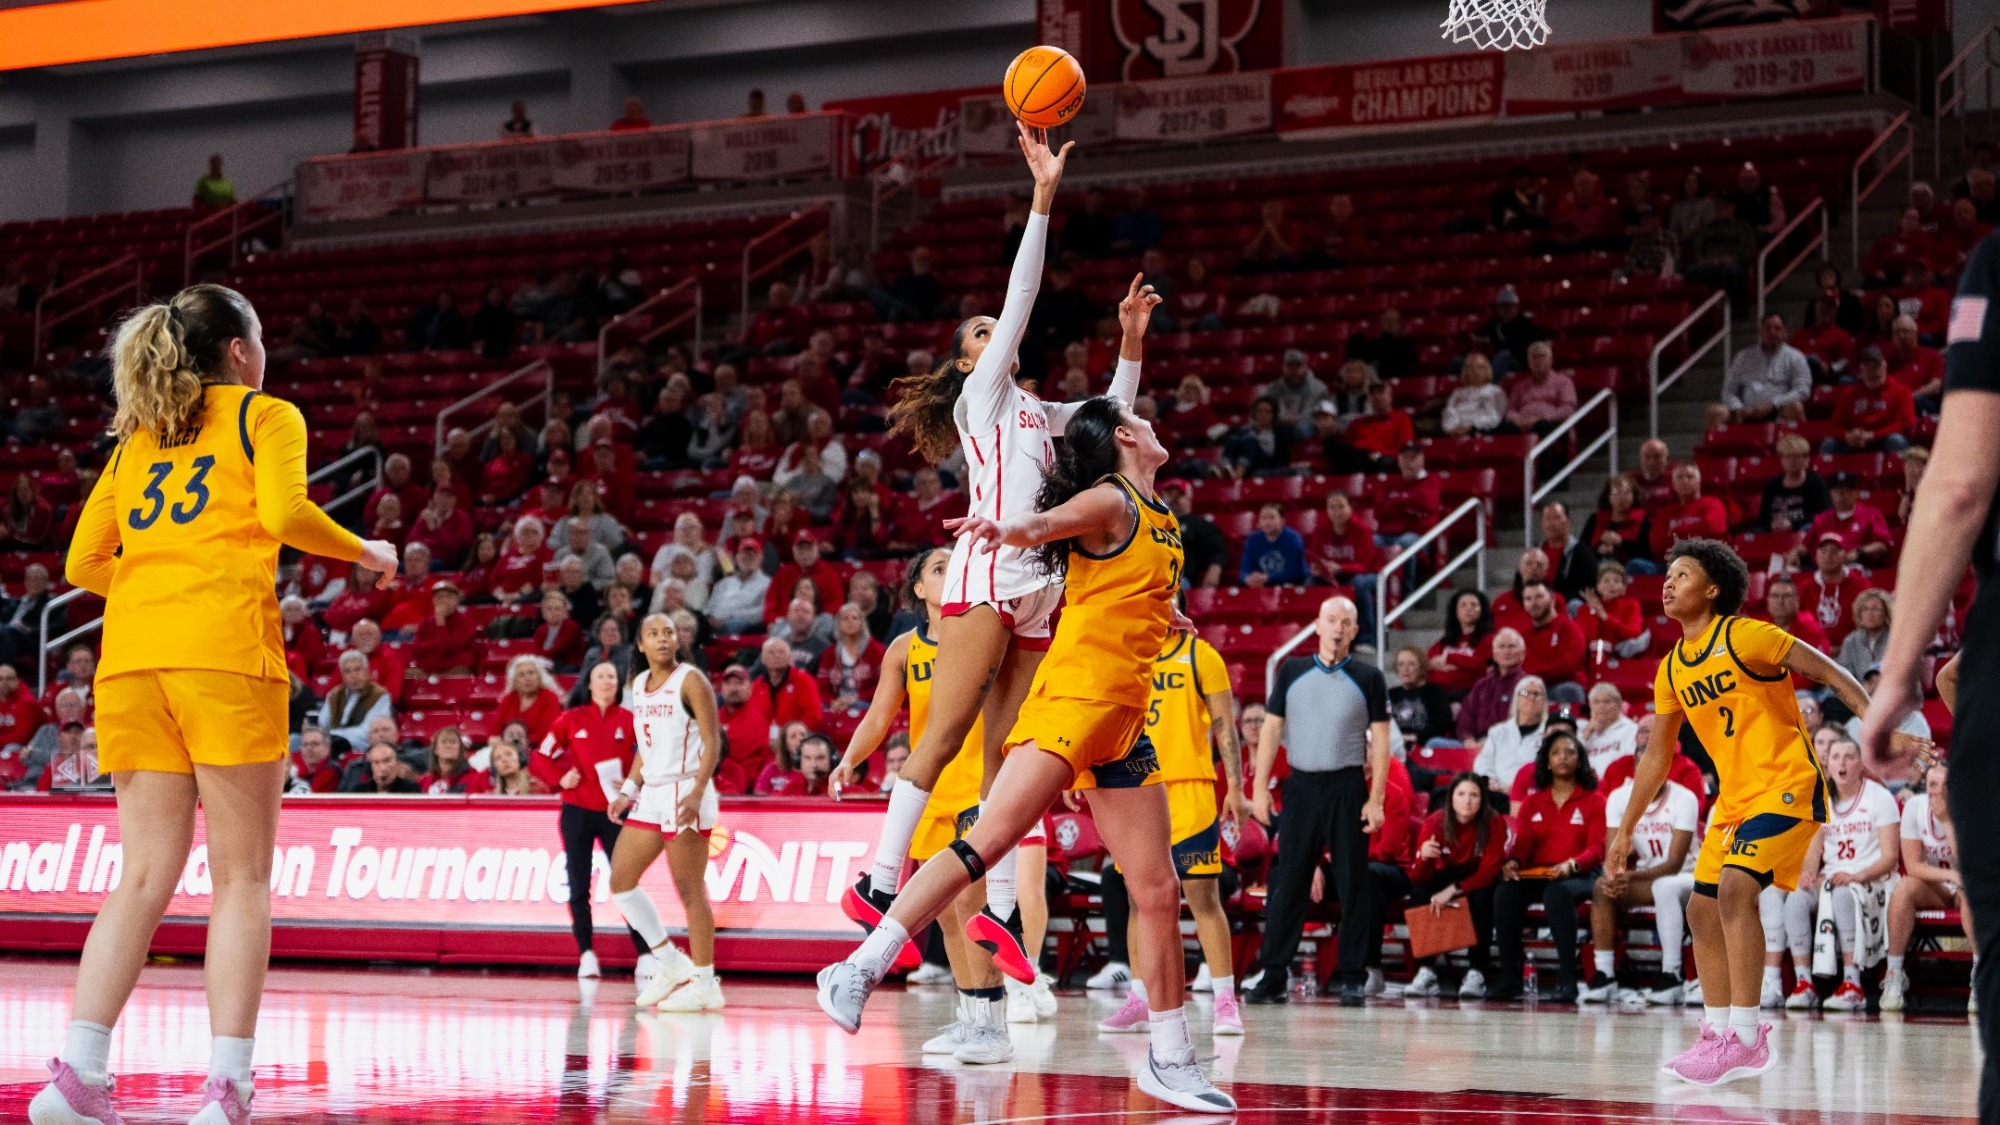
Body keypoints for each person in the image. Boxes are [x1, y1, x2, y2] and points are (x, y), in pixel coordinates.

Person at [29, 284, 397, 1125]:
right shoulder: (265, 415)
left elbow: (86, 558)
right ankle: (225, 1091)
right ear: (239, 350)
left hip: (129, 662)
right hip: (224, 653)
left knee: (142, 877)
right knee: (242, 877)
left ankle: (77, 1077)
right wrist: (366, 548)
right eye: (260, 335)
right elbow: (285, 512)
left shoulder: (140, 436)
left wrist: (161, 584)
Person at [816, 391, 1235, 1114]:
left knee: (1158, 891)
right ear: (1126, 438)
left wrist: (1164, 611)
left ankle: (1170, 1057)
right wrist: (1004, 527)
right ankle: (859, 965)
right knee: (984, 843)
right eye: (1140, 419)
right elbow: (1045, 523)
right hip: (1069, 708)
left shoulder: (1162, 519)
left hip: (1123, 722)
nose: (1153, 422)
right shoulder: (1110, 499)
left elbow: (1113, 584)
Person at [843, 126, 1145, 996]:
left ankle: (1000, 913)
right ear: (969, 359)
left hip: (1037, 587)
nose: (998, 332)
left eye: (994, 330)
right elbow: (1022, 291)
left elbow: (1113, 418)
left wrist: (1129, 339)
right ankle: (878, 874)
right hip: (981, 570)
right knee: (940, 737)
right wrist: (1043, 195)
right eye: (981, 331)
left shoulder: (1037, 409)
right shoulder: (982, 395)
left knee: (1008, 757)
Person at [1611, 538, 1920, 1089]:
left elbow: (1831, 674)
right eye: (1667, 574)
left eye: (1681, 574)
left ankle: (1749, 1039)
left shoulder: (1749, 635)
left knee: (1735, 891)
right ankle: (1716, 1031)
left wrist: (1881, 726)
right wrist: (1626, 827)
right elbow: (1658, 755)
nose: (1667, 582)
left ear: (1711, 589)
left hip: (1788, 786)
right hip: (1734, 801)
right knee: (1701, 914)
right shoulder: (1669, 669)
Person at [827, 548, 1023, 1063]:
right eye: (939, 568)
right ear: (917, 589)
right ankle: (972, 1014)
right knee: (942, 913)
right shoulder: (903, 649)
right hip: (930, 791)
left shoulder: (985, 631)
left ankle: (995, 1026)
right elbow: (878, 716)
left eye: (956, 564)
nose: (950, 571)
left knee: (969, 906)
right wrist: (850, 758)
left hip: (980, 785)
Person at [1097, 629, 1247, 1036]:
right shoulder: (1128, 653)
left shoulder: (1203, 656)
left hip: (1190, 789)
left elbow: (1224, 726)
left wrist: (1235, 786)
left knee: (1203, 897)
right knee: (1138, 900)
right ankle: (1140, 999)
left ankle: (1225, 1002)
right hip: (1139, 787)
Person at [1246, 597, 1391, 1008]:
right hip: (1301, 786)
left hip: (1347, 786)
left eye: (1346, 621)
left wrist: (1375, 799)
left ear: (1355, 630)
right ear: (1317, 624)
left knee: (1353, 883)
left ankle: (1352, 976)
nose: (1338, 627)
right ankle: (1273, 973)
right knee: (1288, 881)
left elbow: (1380, 743)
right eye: (1331, 620)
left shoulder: (1370, 677)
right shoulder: (1290, 671)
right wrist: (1258, 789)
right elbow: (1271, 733)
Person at [610, 615, 727, 1013]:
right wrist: (628, 789)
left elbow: (713, 742)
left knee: (690, 889)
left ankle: (705, 981)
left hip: (686, 788)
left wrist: (697, 792)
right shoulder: (638, 686)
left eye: (669, 632)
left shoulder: (691, 680)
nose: (663, 639)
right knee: (621, 881)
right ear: (640, 645)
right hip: (654, 792)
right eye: (653, 633)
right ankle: (669, 961)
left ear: (678, 640)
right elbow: (647, 744)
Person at [530, 659, 655, 980]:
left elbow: (651, 758)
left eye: (612, 676)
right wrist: (560, 779)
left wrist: (632, 781)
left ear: (618, 684)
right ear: (589, 683)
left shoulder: (629, 720)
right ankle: (586, 953)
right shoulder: (570, 719)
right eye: (601, 676)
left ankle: (645, 954)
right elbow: (540, 756)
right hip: (577, 811)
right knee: (578, 883)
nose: (606, 682)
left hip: (615, 811)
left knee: (626, 883)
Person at [1778, 737, 1901, 1012]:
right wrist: (1808, 874)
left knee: (1844, 895)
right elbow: (1814, 848)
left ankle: (1852, 983)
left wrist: (1857, 875)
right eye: (1835, 757)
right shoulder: (1822, 798)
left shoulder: (1879, 797)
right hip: (1833, 879)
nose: (1842, 763)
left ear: (1861, 763)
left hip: (1873, 879)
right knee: (1796, 897)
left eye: (1849, 756)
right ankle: (1804, 983)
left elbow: (1891, 858)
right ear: (1827, 764)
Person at [1489, 731, 1604, 1002]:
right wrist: (1514, 862)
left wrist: (1572, 865)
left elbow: (1598, 848)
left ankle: (1567, 978)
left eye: (1570, 752)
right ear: (1547, 762)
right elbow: (1523, 845)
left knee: (1557, 892)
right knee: (1506, 891)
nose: (1563, 757)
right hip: (1540, 872)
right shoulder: (1532, 803)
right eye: (1556, 752)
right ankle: (1508, 976)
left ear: (1580, 760)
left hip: (1581, 873)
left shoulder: (1594, 800)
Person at [1582, 770, 1698, 1002]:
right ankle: (1604, 975)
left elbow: (1674, 865)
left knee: (1665, 886)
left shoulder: (1684, 798)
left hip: (1689, 876)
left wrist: (1632, 877)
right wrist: (1613, 878)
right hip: (1647, 878)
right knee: (1602, 889)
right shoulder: (1619, 798)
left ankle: (1671, 974)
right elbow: (1612, 857)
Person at [1403, 772, 1508, 999]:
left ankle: (1476, 972)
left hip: (1479, 879)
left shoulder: (1494, 822)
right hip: (1448, 875)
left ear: (1483, 799)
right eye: (1461, 794)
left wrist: (1453, 891)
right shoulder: (1435, 821)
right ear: (1451, 797)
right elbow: (1418, 878)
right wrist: (1425, 859)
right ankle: (1426, 970)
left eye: (1474, 795)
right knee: (1421, 893)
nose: (1467, 801)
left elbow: (1488, 873)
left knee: (1482, 895)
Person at [1882, 759, 1972, 1012]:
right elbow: (1913, 866)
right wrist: (1952, 878)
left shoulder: (1972, 805)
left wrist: (1947, 820)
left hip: (1969, 885)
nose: (1938, 791)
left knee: (1970, 894)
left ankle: (1979, 975)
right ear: (1926, 786)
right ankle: (1894, 974)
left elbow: (1969, 864)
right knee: (1904, 888)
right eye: (1933, 784)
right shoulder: (1914, 807)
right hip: (1939, 885)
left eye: (1945, 785)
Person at [1711, 314, 1812, 429]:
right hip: (1745, 411)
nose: (1772, 332)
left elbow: (1802, 391)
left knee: (1796, 407)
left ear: (1784, 333)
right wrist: (1739, 408)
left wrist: (1773, 404)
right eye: (1768, 328)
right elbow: (1728, 391)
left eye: (1777, 328)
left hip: (1779, 410)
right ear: (1760, 332)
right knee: (1716, 411)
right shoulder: (1743, 357)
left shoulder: (1796, 357)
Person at [1474, 675, 1548, 803]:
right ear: (1516, 699)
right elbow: (1483, 762)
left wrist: (1518, 786)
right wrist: (1491, 782)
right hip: (1496, 792)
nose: (1531, 698)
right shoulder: (1498, 731)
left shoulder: (1549, 734)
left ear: (1544, 701)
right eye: (1525, 693)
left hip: (1531, 794)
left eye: (1536, 694)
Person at [494, 653, 563, 747]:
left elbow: (547, 732)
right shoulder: (509, 698)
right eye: (521, 675)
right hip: (508, 748)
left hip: (538, 748)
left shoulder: (549, 697)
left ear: (539, 676)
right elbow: (495, 730)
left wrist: (516, 743)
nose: (527, 679)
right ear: (515, 680)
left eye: (531, 673)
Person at [418, 726, 488, 795]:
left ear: (460, 750)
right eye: (444, 742)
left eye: (453, 742)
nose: (448, 746)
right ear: (436, 750)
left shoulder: (475, 778)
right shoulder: (426, 780)